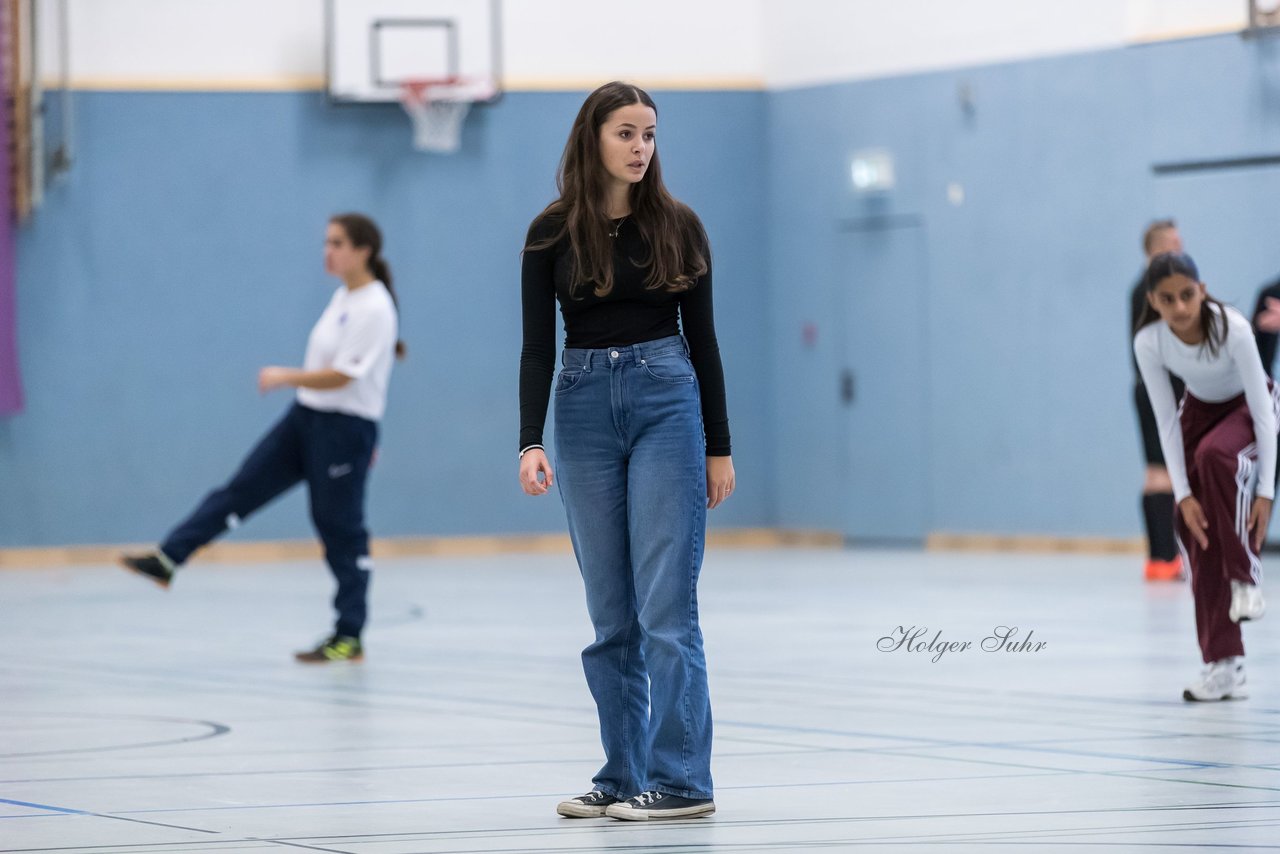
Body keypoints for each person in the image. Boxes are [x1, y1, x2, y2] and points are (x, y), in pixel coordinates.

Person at [519, 81, 734, 821]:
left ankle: (682, 783)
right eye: (626, 133)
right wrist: (529, 440)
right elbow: (535, 347)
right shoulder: (550, 232)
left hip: (666, 400)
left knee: (667, 609)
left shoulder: (681, 226)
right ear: (594, 139)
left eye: (649, 134)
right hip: (579, 408)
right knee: (611, 615)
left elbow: (704, 343)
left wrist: (718, 447)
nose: (641, 147)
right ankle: (620, 776)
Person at [119, 213, 403, 664]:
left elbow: (346, 377)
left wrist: (285, 375)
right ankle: (170, 557)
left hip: (343, 430)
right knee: (240, 489)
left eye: (337, 243)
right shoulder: (343, 298)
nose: (328, 252)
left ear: (363, 250)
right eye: (326, 242)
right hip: (305, 420)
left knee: (340, 530)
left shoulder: (375, 306)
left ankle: (349, 636)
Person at [1133, 252, 1272, 701]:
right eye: (1167, 299)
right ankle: (1224, 665)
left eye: (1187, 295)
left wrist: (1266, 492)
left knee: (1216, 457)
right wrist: (1184, 494)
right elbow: (1168, 423)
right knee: (1190, 525)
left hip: (1251, 410)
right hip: (1197, 415)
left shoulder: (1233, 329)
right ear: (1153, 300)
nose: (1179, 307)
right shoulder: (1149, 342)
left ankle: (1246, 576)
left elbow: (1265, 412)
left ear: (1203, 290)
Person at [1131, 220, 1187, 581]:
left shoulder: (1145, 287)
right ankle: (1164, 557)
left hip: (1155, 387)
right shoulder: (1155, 288)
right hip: (1158, 387)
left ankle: (1161, 558)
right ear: (1159, 247)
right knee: (1162, 471)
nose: (1181, 248)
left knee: (1160, 471)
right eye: (1175, 242)